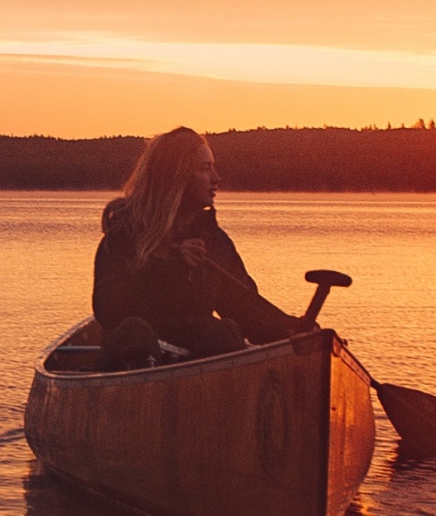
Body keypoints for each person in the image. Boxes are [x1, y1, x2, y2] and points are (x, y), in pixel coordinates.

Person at [92, 127, 302, 368]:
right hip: (133, 361)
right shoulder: (124, 236)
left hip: (197, 367)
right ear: (176, 176)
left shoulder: (214, 242)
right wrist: (171, 268)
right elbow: (108, 308)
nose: (216, 178)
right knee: (134, 331)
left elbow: (244, 309)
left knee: (224, 332)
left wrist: (291, 329)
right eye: (205, 168)